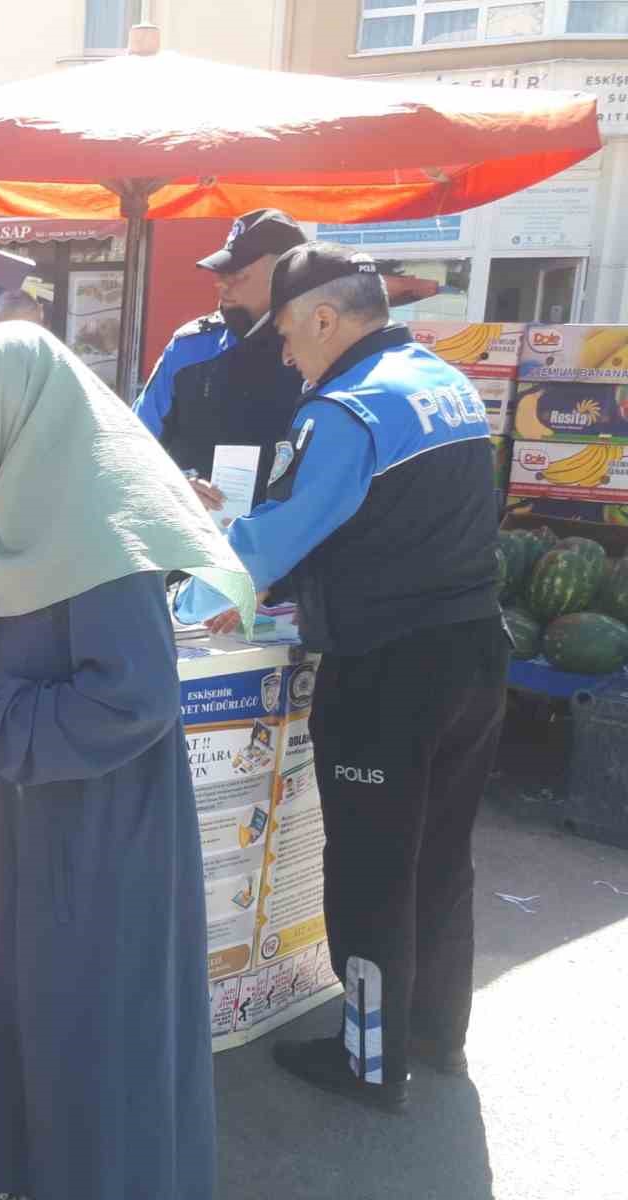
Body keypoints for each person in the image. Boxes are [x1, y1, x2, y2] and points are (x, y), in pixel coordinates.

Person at [0, 322, 252, 1200]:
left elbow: (133, 702)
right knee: (24, 1006)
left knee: (87, 1029)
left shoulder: (102, 541)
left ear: (19, 416)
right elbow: (5, 633)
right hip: (30, 819)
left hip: (99, 840)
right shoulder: (12, 508)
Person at [176, 243, 509, 1109]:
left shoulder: (347, 408)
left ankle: (369, 1064)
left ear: (325, 317)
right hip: (476, 651)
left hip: (389, 671)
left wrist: (186, 591)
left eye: (288, 335)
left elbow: (277, 539)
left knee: (370, 866)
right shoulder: (444, 384)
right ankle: (439, 1037)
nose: (287, 356)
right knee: (443, 857)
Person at [133, 208, 308, 512]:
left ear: (287, 276)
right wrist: (175, 485)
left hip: (289, 543)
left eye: (238, 274)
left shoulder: (318, 350)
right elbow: (133, 442)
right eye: (222, 273)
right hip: (194, 537)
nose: (221, 284)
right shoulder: (192, 346)